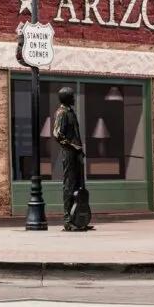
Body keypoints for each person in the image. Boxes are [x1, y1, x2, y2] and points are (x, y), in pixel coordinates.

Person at [51, 86, 88, 231]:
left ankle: (78, 218)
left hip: (77, 153)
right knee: (69, 186)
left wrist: (79, 149)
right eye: (72, 96)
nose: (74, 98)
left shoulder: (71, 112)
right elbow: (57, 134)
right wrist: (73, 147)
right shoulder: (61, 113)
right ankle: (68, 220)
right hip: (69, 153)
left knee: (79, 187)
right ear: (66, 98)